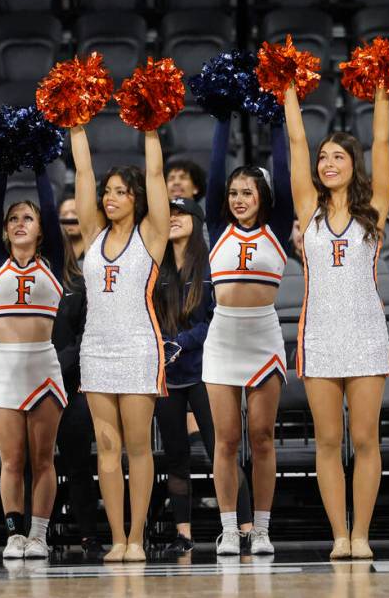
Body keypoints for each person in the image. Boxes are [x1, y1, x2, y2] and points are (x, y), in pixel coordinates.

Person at [285, 83, 389, 560]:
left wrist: (383, 94)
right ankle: (339, 536)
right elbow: (294, 144)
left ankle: (363, 535)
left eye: (337, 157)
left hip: (367, 334)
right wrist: (289, 91)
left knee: (366, 439)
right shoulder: (308, 210)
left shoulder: (374, 211)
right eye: (323, 157)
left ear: (354, 165)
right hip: (320, 336)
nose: (327, 163)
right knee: (328, 441)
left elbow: (384, 144)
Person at [70, 122, 170, 563]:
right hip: (96, 350)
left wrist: (150, 129)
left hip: (138, 347)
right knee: (106, 448)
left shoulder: (151, 235)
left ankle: (137, 537)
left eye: (120, 192)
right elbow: (82, 172)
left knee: (138, 446)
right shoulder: (92, 235)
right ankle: (116, 538)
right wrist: (76, 124)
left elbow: (156, 177)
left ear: (136, 199)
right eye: (107, 191)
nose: (109, 197)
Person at [202, 109, 292, 558]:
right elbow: (215, 170)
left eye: (248, 192)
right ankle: (228, 527)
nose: (238, 199)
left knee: (261, 437)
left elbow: (284, 166)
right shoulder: (217, 228)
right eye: (234, 193)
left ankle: (261, 528)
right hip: (223, 340)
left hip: (263, 338)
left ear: (263, 197)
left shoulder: (276, 229)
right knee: (226, 439)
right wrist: (224, 116)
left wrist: (276, 116)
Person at [153, 196, 253, 553]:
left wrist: (182, 341)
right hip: (167, 374)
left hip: (205, 370)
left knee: (221, 450)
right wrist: (164, 345)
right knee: (175, 455)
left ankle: (246, 527)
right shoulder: (154, 267)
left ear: (197, 220)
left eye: (181, 213)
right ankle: (184, 533)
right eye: (169, 213)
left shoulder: (210, 265)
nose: (174, 218)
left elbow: (217, 318)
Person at [0, 166, 67, 560]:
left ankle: (38, 534)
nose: (20, 223)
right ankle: (14, 533)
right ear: (3, 230)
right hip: (4, 368)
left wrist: (37, 165)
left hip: (42, 366)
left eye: (27, 218)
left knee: (43, 458)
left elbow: (50, 208)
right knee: (12, 459)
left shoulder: (53, 261)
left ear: (41, 229)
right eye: (13, 219)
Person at [53, 214, 103, 557]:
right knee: (31, 461)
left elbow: (86, 334)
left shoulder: (80, 282)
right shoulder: (18, 279)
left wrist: (57, 367)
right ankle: (30, 532)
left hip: (71, 384)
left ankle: (89, 535)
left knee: (78, 464)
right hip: (29, 384)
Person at [59, 196, 86, 261]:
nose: (69, 218)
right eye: (64, 214)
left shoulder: (97, 249)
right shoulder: (55, 252)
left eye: (75, 213)